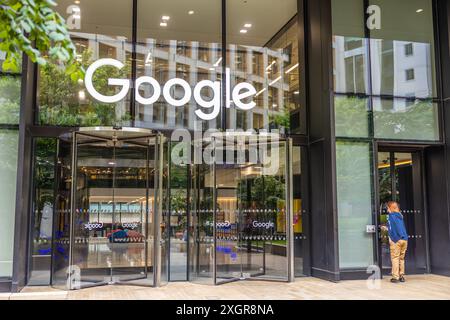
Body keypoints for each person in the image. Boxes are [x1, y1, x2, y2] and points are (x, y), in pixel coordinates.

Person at [386, 201, 408, 283]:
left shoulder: (390, 216)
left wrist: (391, 238)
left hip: (396, 240)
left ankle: (395, 277)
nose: (387, 209)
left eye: (387, 208)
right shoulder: (400, 216)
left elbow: (391, 228)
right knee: (401, 258)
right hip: (404, 239)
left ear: (390, 208)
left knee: (395, 258)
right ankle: (401, 276)